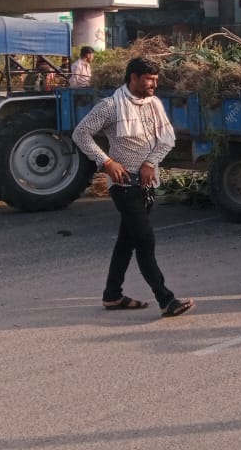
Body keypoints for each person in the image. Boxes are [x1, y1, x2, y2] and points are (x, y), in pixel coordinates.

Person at [72, 58, 194, 318]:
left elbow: (167, 139)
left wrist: (150, 163)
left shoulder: (154, 103)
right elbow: (80, 133)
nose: (154, 85)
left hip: (147, 184)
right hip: (124, 186)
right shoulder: (110, 106)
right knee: (145, 240)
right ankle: (166, 299)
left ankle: (112, 295)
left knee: (126, 241)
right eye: (149, 80)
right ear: (134, 78)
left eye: (156, 80)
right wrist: (106, 162)